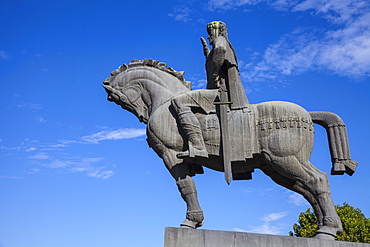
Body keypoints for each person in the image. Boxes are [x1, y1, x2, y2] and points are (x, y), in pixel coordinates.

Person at [172, 21, 249, 159]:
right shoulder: (222, 42)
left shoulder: (220, 40)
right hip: (222, 92)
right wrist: (209, 55)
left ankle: (198, 146)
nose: (208, 37)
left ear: (216, 31)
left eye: (209, 33)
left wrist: (214, 74)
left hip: (222, 93)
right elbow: (218, 53)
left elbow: (220, 50)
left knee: (179, 101)